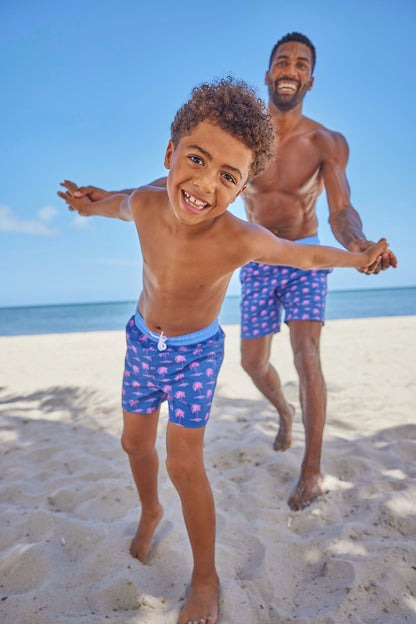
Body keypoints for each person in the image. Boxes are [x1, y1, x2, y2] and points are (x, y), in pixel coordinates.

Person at [58, 77, 389, 624]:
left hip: (194, 355)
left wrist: (361, 258)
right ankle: (149, 510)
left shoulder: (239, 238)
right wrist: (85, 204)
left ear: (241, 192)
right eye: (196, 159)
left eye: (227, 177)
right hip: (142, 343)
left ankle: (205, 576)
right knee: (133, 442)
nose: (205, 184)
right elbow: (113, 202)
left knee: (184, 461)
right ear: (170, 153)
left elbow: (304, 258)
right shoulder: (144, 204)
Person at [238, 32, 397, 511]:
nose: (291, 69)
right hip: (258, 256)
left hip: (306, 253)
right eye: (282, 61)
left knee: (307, 354)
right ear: (268, 74)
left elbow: (340, 209)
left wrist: (357, 244)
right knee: (252, 363)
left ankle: (311, 471)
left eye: (301, 63)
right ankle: (284, 411)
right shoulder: (242, 135)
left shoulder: (326, 141)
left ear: (310, 78)